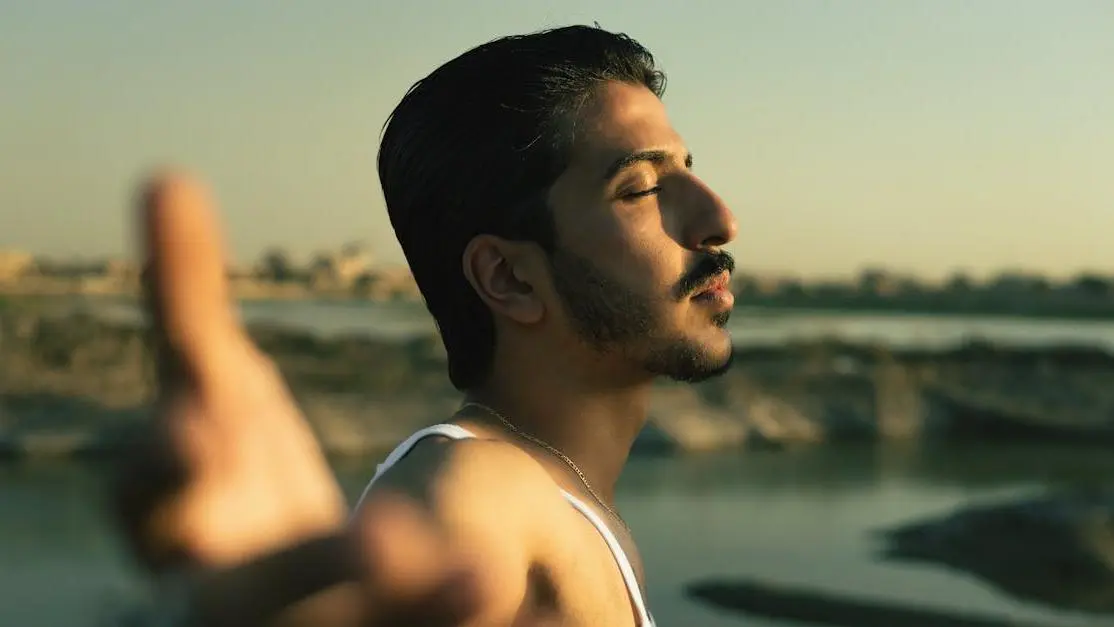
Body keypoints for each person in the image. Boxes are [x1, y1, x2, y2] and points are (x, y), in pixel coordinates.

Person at [113, 24, 737, 627]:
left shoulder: (561, 496)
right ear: (509, 278)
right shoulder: (476, 490)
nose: (719, 218)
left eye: (686, 170)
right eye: (641, 188)